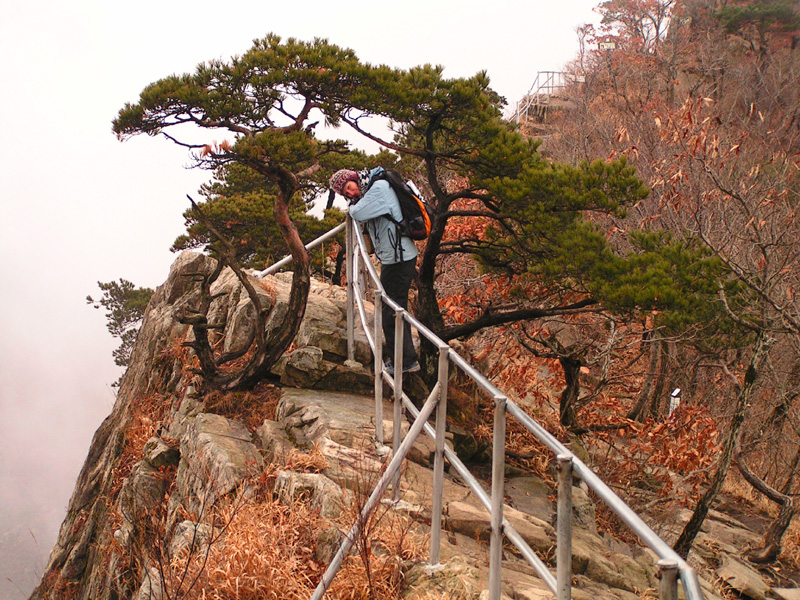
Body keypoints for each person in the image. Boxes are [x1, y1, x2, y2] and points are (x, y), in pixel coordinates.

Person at [329, 167, 420, 374]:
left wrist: (351, 207)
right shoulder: (370, 189)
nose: (350, 194)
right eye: (345, 194)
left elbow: (358, 213)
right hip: (395, 257)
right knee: (393, 307)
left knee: (392, 310)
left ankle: (405, 362)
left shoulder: (378, 188)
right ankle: (404, 360)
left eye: (349, 188)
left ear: (354, 179)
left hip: (400, 258)